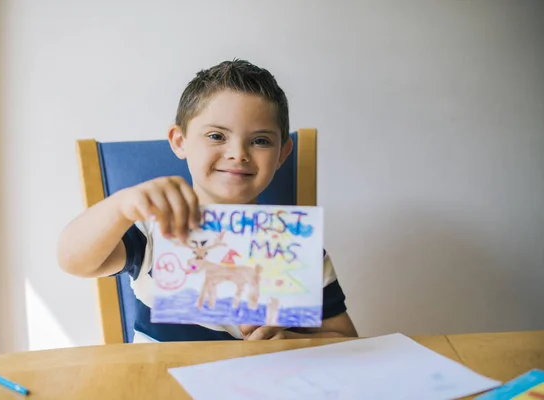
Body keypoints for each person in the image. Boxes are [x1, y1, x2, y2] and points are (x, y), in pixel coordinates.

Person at [57, 59, 358, 342]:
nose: (237, 153)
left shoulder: (296, 249)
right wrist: (122, 206)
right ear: (180, 141)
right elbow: (74, 261)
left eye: (260, 140)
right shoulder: (154, 229)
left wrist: (291, 341)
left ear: (282, 154)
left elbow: (345, 339)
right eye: (216, 136)